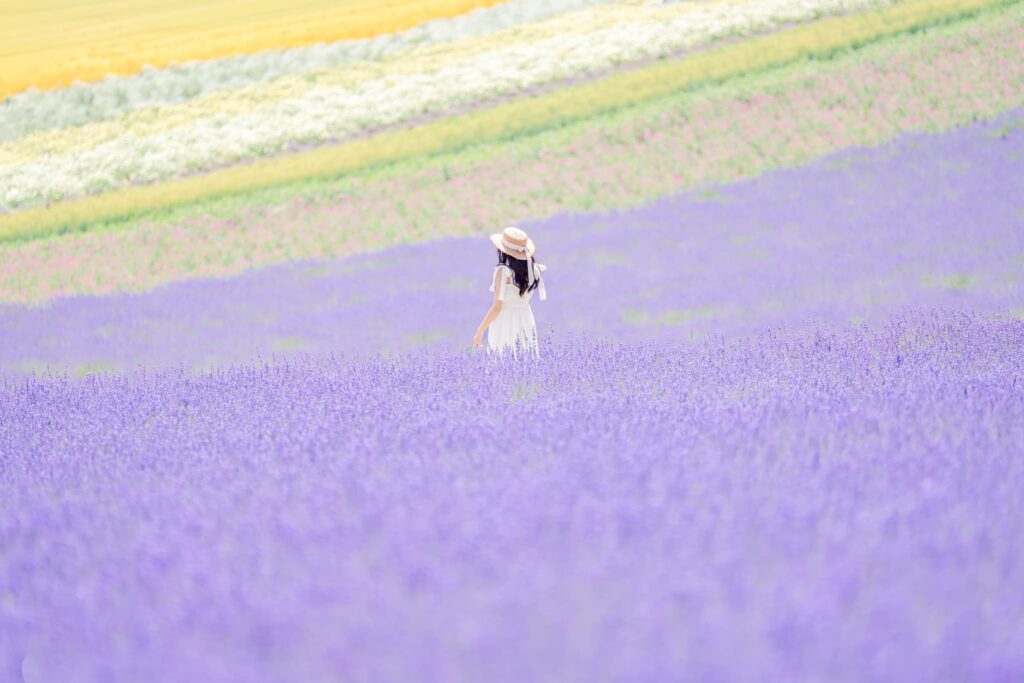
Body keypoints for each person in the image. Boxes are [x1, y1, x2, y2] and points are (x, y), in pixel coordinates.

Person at [472, 226, 547, 357]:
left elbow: (497, 307)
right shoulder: (534, 270)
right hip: (525, 319)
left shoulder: (503, 272)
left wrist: (480, 330)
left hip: (505, 321)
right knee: (525, 359)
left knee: (503, 360)